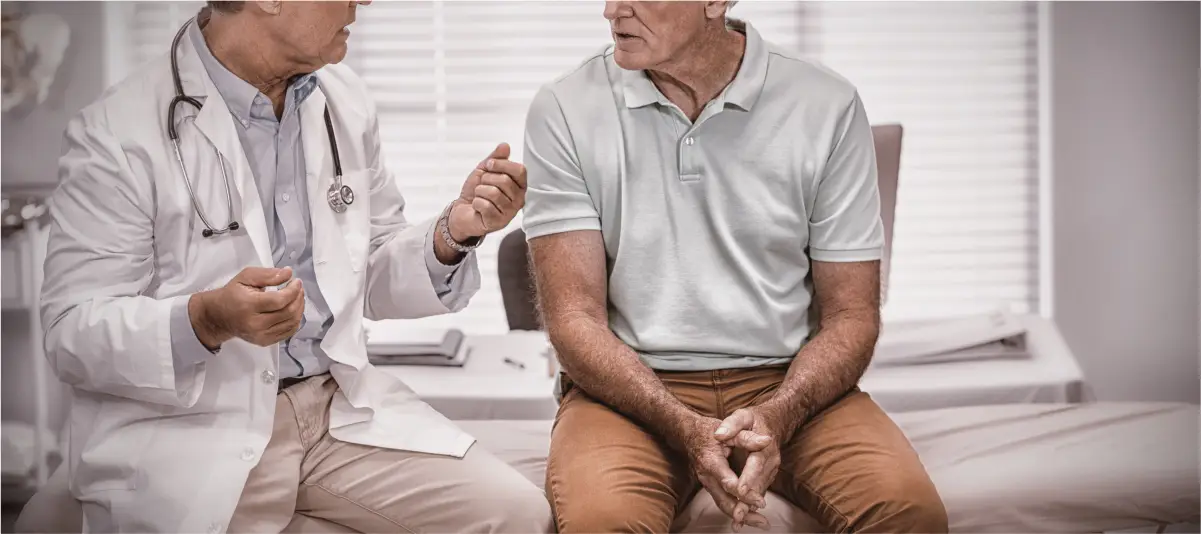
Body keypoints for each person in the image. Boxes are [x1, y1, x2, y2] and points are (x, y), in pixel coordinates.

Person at [32, 1, 551, 532]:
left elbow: (367, 272)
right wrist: (205, 320)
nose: (364, 2)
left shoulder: (343, 102)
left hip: (333, 409)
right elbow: (71, 332)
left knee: (519, 517)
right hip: (195, 429)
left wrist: (453, 233)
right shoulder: (117, 134)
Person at [522, 1, 949, 532]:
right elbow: (572, 318)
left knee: (909, 514)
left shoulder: (826, 104)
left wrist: (780, 413)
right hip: (628, 393)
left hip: (791, 383)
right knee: (604, 523)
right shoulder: (563, 107)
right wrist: (685, 426)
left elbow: (852, 314)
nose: (613, 9)